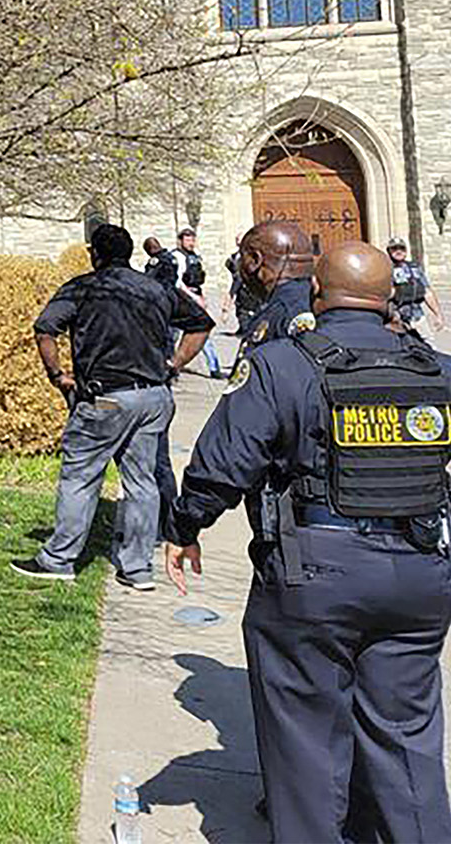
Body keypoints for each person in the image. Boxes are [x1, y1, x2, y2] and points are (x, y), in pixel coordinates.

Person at [165, 241, 451, 843]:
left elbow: (223, 462)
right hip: (421, 577)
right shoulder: (438, 371)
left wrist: (185, 527)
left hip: (315, 577)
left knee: (307, 745)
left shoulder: (283, 364)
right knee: (406, 740)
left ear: (316, 295)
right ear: (390, 298)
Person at [12, 223, 212, 590]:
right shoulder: (156, 289)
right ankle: (136, 569)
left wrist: (57, 376)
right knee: (142, 482)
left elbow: (45, 331)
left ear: (95, 255)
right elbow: (201, 324)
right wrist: (176, 363)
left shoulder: (83, 288)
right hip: (153, 397)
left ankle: (59, 558)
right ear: (130, 252)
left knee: (81, 477)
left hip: (104, 399)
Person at [235, 221, 317, 354]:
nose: (240, 265)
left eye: (242, 258)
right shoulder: (319, 299)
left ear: (255, 260)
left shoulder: (283, 311)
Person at [176, 228, 224, 379]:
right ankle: (170, 366)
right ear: (181, 240)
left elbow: (197, 279)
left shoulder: (195, 257)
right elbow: (177, 282)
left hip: (194, 296)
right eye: (188, 239)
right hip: (181, 299)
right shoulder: (178, 257)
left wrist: (201, 297)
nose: (191, 243)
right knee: (172, 335)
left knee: (202, 331)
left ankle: (214, 367)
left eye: (192, 239)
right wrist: (193, 296)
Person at [389, 237, 444, 333]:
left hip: (417, 316)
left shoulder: (415, 267)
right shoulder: (385, 269)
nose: (398, 251)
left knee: (427, 344)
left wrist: (438, 315)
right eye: (394, 248)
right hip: (396, 317)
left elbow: (427, 292)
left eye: (401, 248)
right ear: (389, 251)